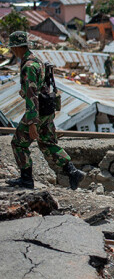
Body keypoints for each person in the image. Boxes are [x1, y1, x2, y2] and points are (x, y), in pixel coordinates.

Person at [7, 31, 86, 190]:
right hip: (47, 109)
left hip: (37, 111)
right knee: (47, 143)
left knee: (18, 144)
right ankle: (72, 171)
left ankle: (26, 179)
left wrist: (32, 123)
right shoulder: (36, 60)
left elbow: (32, 96)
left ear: (16, 48)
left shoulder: (28, 66)